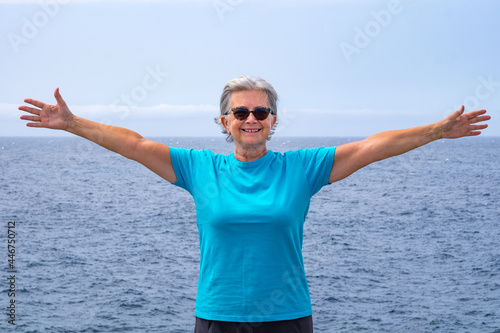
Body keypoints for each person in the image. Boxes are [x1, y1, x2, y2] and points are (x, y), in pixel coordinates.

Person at [19, 75, 490, 333]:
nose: (251, 119)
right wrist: (74, 123)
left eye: (260, 112)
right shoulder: (200, 168)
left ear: (273, 120)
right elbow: (136, 143)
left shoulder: (300, 169)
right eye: (240, 112)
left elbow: (373, 145)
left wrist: (435, 132)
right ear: (224, 121)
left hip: (287, 317)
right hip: (218, 317)